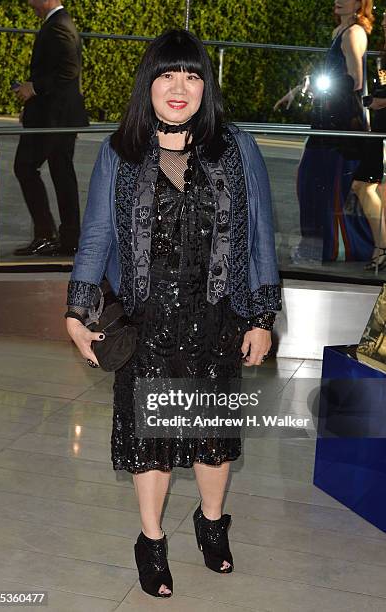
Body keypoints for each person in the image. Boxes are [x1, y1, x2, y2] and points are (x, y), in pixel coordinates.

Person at [65, 29, 282, 598]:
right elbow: (95, 237)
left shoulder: (236, 146)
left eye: (191, 75)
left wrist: (261, 317)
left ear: (205, 86)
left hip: (216, 319)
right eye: (167, 75)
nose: (179, 87)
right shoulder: (120, 152)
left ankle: (211, 523)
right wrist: (78, 308)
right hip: (147, 323)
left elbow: (258, 236)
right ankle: (152, 540)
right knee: (153, 441)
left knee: (212, 439)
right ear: (149, 85)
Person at [275, 0, 374, 263]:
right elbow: (332, 74)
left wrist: (316, 88)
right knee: (309, 182)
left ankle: (325, 249)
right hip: (328, 122)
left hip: (340, 126)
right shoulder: (339, 32)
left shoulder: (354, 33)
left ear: (360, 4)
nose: (338, 0)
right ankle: (316, 247)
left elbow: (355, 80)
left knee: (321, 187)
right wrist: (299, 89)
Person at [13, 0, 89, 257]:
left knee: (26, 166)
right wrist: (32, 103)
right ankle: (67, 239)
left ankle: (49, 235)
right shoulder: (57, 23)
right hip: (55, 116)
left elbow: (70, 69)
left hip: (56, 119)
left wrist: (33, 88)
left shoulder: (59, 26)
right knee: (61, 173)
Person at [352, 11, 386, 272]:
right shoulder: (383, 53)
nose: (383, 21)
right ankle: (381, 247)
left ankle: (382, 247)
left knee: (365, 186)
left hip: (382, 130)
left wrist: (380, 101)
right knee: (368, 187)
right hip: (379, 128)